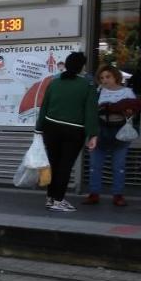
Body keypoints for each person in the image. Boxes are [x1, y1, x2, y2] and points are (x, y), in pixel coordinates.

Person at [35, 51, 99, 213]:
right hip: (74, 131)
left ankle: (50, 198)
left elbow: (44, 107)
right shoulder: (88, 85)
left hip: (51, 128)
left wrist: (38, 129)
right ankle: (58, 200)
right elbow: (90, 112)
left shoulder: (54, 83)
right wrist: (93, 134)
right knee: (65, 165)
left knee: (54, 164)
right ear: (82, 67)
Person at [86, 65, 137, 207]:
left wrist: (125, 110)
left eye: (108, 77)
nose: (105, 80)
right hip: (100, 130)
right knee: (95, 165)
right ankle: (94, 193)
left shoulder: (127, 92)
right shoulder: (97, 91)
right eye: (101, 78)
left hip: (119, 130)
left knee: (119, 166)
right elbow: (91, 111)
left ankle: (118, 195)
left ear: (116, 77)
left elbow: (134, 111)